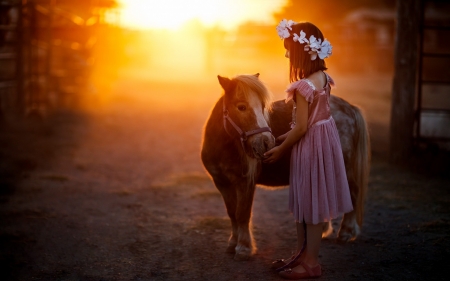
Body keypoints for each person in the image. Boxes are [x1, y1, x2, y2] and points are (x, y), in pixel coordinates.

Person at [263, 20, 353, 279]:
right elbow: (310, 120)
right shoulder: (322, 78)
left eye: (289, 50)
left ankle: (311, 263)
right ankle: (302, 255)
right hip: (323, 141)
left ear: (302, 51)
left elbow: (301, 128)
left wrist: (280, 150)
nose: (286, 54)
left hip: (311, 145)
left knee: (310, 205)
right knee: (308, 202)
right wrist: (279, 138)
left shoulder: (302, 87)